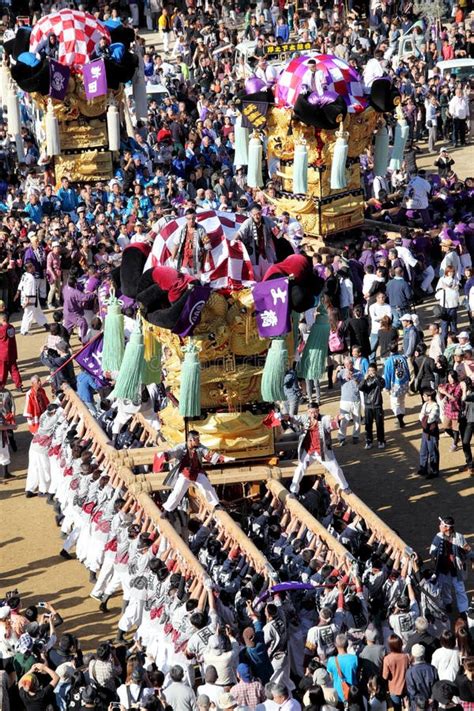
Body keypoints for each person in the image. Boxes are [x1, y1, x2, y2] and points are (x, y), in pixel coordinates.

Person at [158, 430, 234, 513]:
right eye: (197, 439)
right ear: (191, 440)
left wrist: (224, 459)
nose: (199, 441)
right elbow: (171, 452)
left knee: (207, 487)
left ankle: (216, 504)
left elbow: (209, 454)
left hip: (197, 472)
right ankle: (166, 509)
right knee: (177, 492)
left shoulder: (200, 447)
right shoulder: (181, 447)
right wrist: (163, 454)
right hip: (185, 474)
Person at [287, 402, 351, 495]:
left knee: (336, 469)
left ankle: (345, 486)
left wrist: (338, 419)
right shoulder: (305, 418)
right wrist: (281, 416)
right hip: (309, 451)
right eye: (310, 412)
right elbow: (292, 418)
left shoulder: (325, 419)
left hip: (323, 451)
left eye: (315, 412)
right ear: (308, 412)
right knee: (299, 469)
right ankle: (294, 491)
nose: (313, 414)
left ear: (318, 411)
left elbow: (332, 424)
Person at [429, 516, 472, 615]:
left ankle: (463, 610)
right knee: (445, 587)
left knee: (460, 590)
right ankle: (448, 603)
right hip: (444, 569)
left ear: (447, 527)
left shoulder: (459, 537)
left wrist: (472, 557)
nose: (439, 526)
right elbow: (432, 552)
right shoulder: (438, 536)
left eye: (442, 525)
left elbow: (467, 549)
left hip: (456, 569)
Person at [236, 203, 280, 279]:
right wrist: (234, 241)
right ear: (251, 214)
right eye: (255, 214)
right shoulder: (248, 222)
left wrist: (286, 237)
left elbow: (277, 231)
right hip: (253, 253)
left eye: (259, 214)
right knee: (256, 275)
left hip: (266, 251)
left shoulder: (267, 220)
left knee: (269, 273)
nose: (257, 216)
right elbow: (240, 233)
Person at [171, 208, 209, 277]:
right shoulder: (181, 229)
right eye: (189, 219)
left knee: (195, 282)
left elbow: (207, 246)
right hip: (183, 262)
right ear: (186, 219)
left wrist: (207, 262)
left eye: (193, 218)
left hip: (196, 261)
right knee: (185, 281)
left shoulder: (201, 229)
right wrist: (172, 259)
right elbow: (176, 245)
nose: (191, 221)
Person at [15, 261, 47, 335]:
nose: (34, 267)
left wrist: (17, 293)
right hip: (30, 299)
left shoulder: (24, 274)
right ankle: (24, 331)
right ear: (29, 268)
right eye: (32, 266)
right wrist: (27, 301)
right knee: (28, 314)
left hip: (28, 297)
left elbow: (20, 285)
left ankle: (45, 324)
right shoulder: (31, 278)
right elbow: (30, 290)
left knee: (38, 311)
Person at [383, 342, 410, 428]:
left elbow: (387, 375)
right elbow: (407, 369)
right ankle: (401, 418)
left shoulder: (389, 361)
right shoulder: (402, 358)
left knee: (395, 403)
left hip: (395, 384)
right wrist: (408, 379)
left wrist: (387, 387)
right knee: (401, 401)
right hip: (404, 382)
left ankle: (400, 420)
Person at [359, 363, 385, 449]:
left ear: (376, 371)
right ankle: (369, 441)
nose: (371, 372)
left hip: (377, 405)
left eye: (373, 371)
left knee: (379, 424)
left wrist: (376, 377)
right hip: (368, 406)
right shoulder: (365, 380)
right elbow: (360, 387)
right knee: (368, 425)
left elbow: (382, 385)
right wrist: (364, 379)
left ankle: (381, 441)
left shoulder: (379, 379)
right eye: (369, 370)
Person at [327, 634, 358, 704]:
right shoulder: (354, 658)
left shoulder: (331, 660)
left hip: (338, 696)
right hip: (352, 693)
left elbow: (331, 677)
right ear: (347, 645)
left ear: (335, 645)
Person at [418, 390, 441, 478]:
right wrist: (424, 417)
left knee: (433, 452)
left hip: (432, 432)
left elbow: (430, 419)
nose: (423, 397)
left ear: (429, 397)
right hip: (425, 431)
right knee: (423, 450)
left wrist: (423, 416)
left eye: (424, 395)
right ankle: (423, 468)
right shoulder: (425, 404)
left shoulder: (435, 406)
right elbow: (421, 416)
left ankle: (434, 471)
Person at [0, 312, 22, 391]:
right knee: (14, 370)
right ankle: (19, 385)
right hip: (12, 353)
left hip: (3, 355)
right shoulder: (11, 327)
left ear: (3, 319)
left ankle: (1, 386)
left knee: (3, 371)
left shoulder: (2, 329)